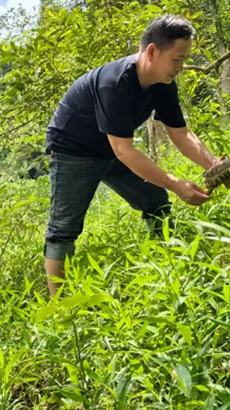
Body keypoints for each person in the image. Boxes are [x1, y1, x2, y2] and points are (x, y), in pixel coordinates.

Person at [44, 15, 220, 296]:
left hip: (114, 147)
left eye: (184, 59)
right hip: (74, 150)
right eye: (177, 59)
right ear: (152, 51)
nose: (181, 67)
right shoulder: (114, 83)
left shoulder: (163, 83)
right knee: (64, 229)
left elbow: (181, 133)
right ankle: (59, 308)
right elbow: (124, 151)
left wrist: (216, 165)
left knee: (156, 202)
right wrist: (176, 184)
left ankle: (168, 266)